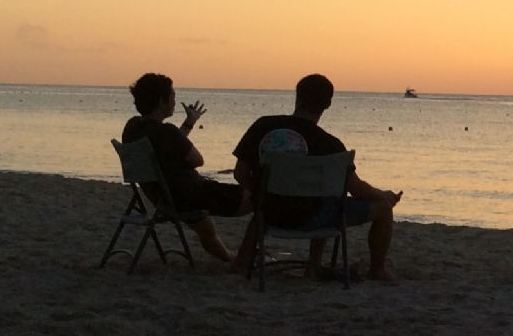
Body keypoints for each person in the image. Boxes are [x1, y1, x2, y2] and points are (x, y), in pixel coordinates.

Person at [231, 74, 402, 281]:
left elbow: (240, 173)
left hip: (269, 214)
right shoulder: (331, 145)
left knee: (285, 203)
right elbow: (357, 190)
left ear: (297, 96)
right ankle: (375, 270)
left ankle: (242, 259)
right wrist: (384, 195)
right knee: (380, 209)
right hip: (314, 219)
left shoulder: (263, 126)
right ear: (328, 104)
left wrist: (261, 196)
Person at [121, 73, 252, 263]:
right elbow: (198, 160)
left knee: (206, 227)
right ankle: (246, 258)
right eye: (172, 97)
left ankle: (231, 257)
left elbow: (169, 146)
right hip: (191, 195)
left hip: (164, 198)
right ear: (161, 101)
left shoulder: (133, 127)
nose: (175, 102)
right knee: (257, 198)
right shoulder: (166, 132)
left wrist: (189, 123)